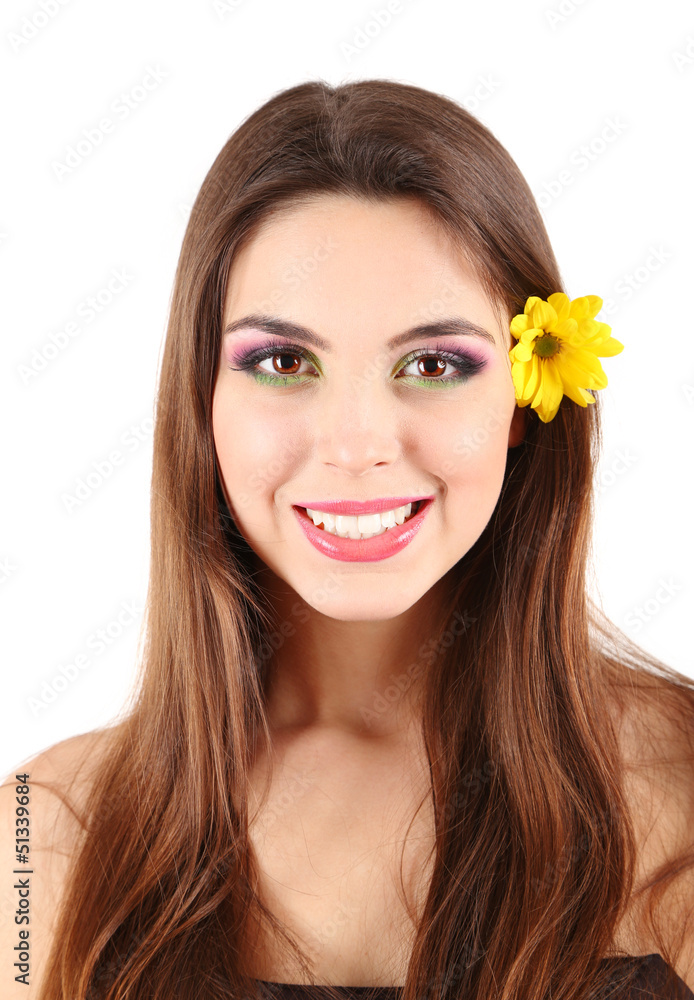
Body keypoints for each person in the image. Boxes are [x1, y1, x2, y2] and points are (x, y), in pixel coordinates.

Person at [2, 78, 694, 1000]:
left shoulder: (681, 780)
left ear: (526, 401)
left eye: (434, 363)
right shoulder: (36, 830)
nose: (358, 445)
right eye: (284, 362)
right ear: (201, 401)